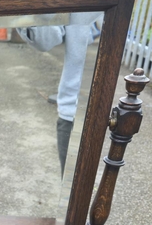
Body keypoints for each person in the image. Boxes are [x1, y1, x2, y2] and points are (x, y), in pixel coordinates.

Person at [17, 11, 103, 176]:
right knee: (74, 190)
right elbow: (44, 39)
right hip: (73, 110)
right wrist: (37, 3)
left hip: (119, 110)